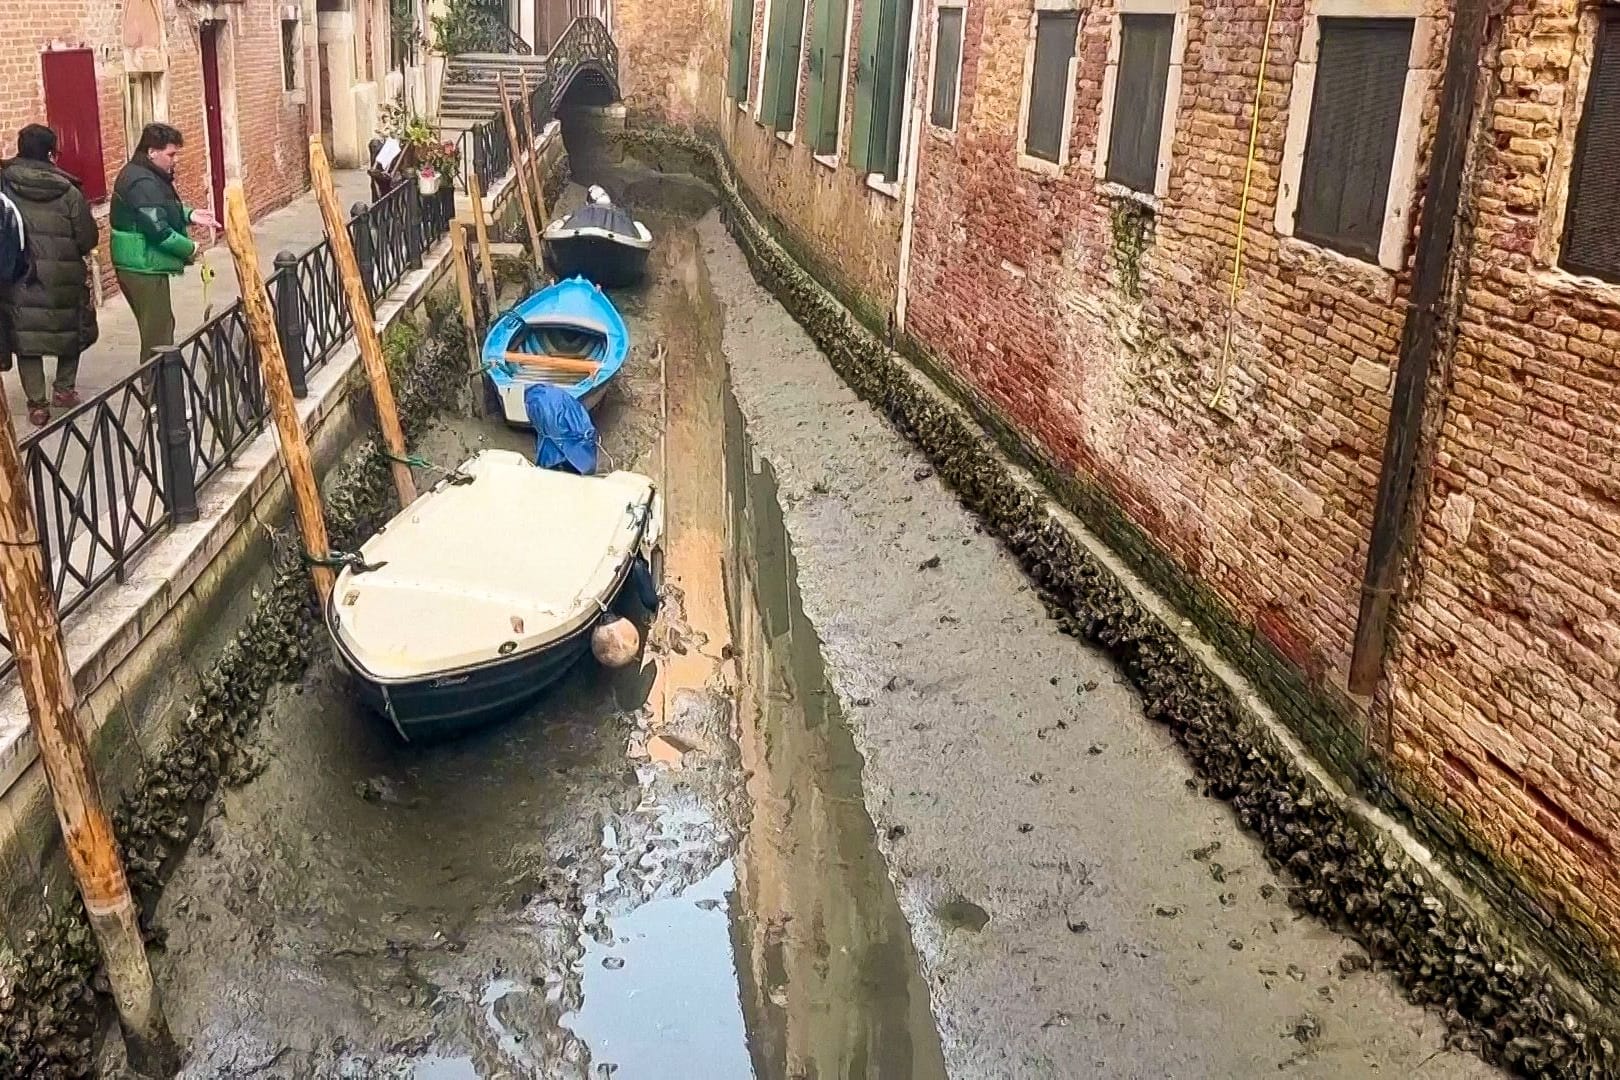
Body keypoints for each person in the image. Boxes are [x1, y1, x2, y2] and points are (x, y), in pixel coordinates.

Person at [0, 124, 97, 426]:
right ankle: (64, 390)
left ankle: (37, 404)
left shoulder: (5, 183)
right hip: (62, 277)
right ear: (52, 152)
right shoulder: (68, 191)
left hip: (19, 276)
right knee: (71, 330)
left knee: (26, 338)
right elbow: (86, 238)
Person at [110, 122, 217, 393]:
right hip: (141, 266)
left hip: (139, 264)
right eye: (171, 154)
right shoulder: (141, 181)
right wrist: (190, 249)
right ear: (151, 152)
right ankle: (157, 396)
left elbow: (161, 209)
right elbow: (158, 231)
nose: (175, 160)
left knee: (159, 325)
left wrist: (189, 214)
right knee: (158, 333)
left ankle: (157, 391)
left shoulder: (144, 175)